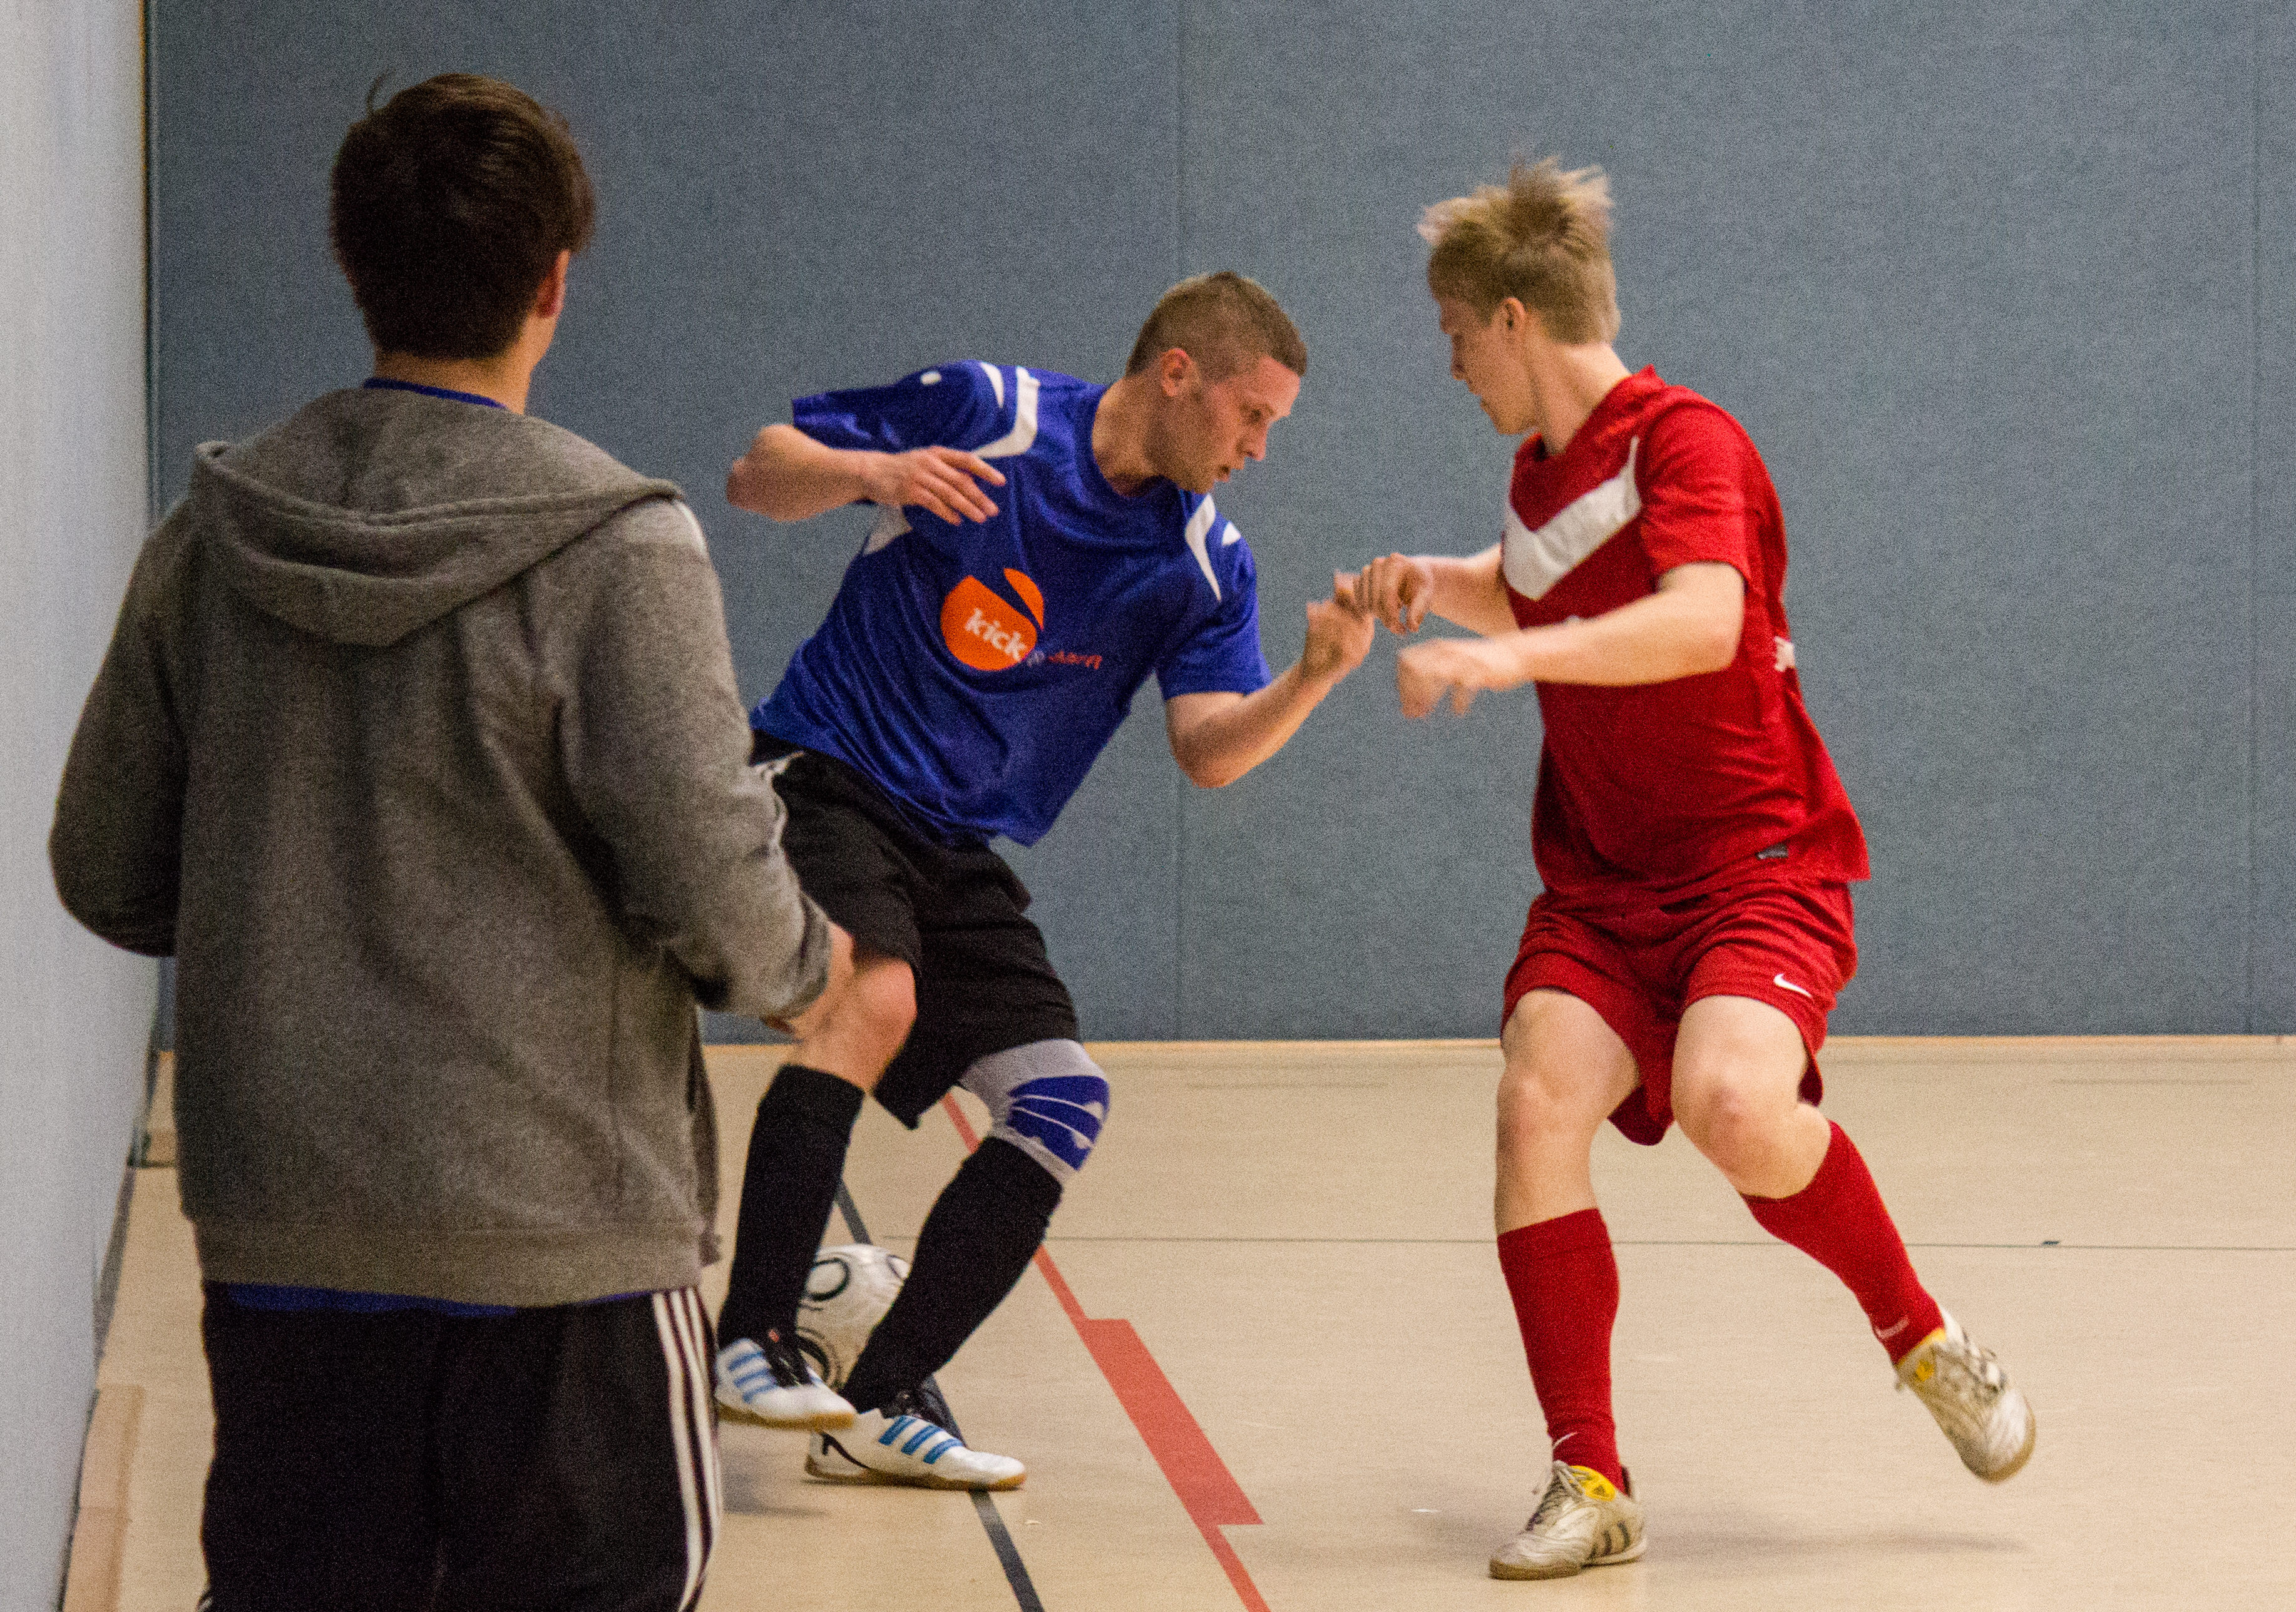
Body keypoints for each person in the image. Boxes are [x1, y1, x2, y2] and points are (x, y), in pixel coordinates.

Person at [49, 74, 840, 1611]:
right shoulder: (620, 547)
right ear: (554, 285)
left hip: (283, 1226)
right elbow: (716, 886)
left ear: (354, 264)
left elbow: (105, 864)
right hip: (561, 1248)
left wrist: (286, 903)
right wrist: (810, 968)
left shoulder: (211, 537)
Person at [1348, 159, 2034, 1581]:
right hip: (1602, 888)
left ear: (1517, 319)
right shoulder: (1541, 476)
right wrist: (1442, 582)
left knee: (1736, 1104)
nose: (1452, 362)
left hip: (1755, 863)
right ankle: (1590, 1477)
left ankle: (1919, 1334)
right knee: (1537, 1096)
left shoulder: (1689, 441)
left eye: (1458, 333)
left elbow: (1701, 620)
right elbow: (1544, 577)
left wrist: (1509, 660)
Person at [711, 270, 1374, 1489]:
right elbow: (759, 473)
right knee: (876, 995)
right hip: (828, 774)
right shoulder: (994, 415)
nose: (1258, 449)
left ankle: (880, 1399)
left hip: (952, 844)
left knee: (1061, 1099)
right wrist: (875, 473)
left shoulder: (1202, 561)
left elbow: (1209, 751)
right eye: (1251, 415)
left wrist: (1315, 675)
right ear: (1178, 372)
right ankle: (750, 1338)